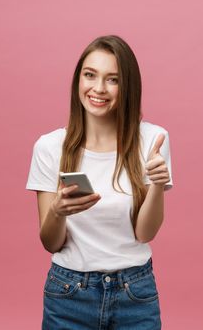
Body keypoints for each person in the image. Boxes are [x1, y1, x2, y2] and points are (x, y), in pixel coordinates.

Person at [26, 34, 173, 329]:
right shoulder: (50, 147)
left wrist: (157, 185)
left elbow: (145, 233)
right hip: (68, 294)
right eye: (90, 75)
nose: (98, 88)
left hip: (135, 292)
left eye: (113, 79)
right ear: (78, 80)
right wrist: (57, 211)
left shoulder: (152, 140)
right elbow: (51, 243)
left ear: (127, 86)